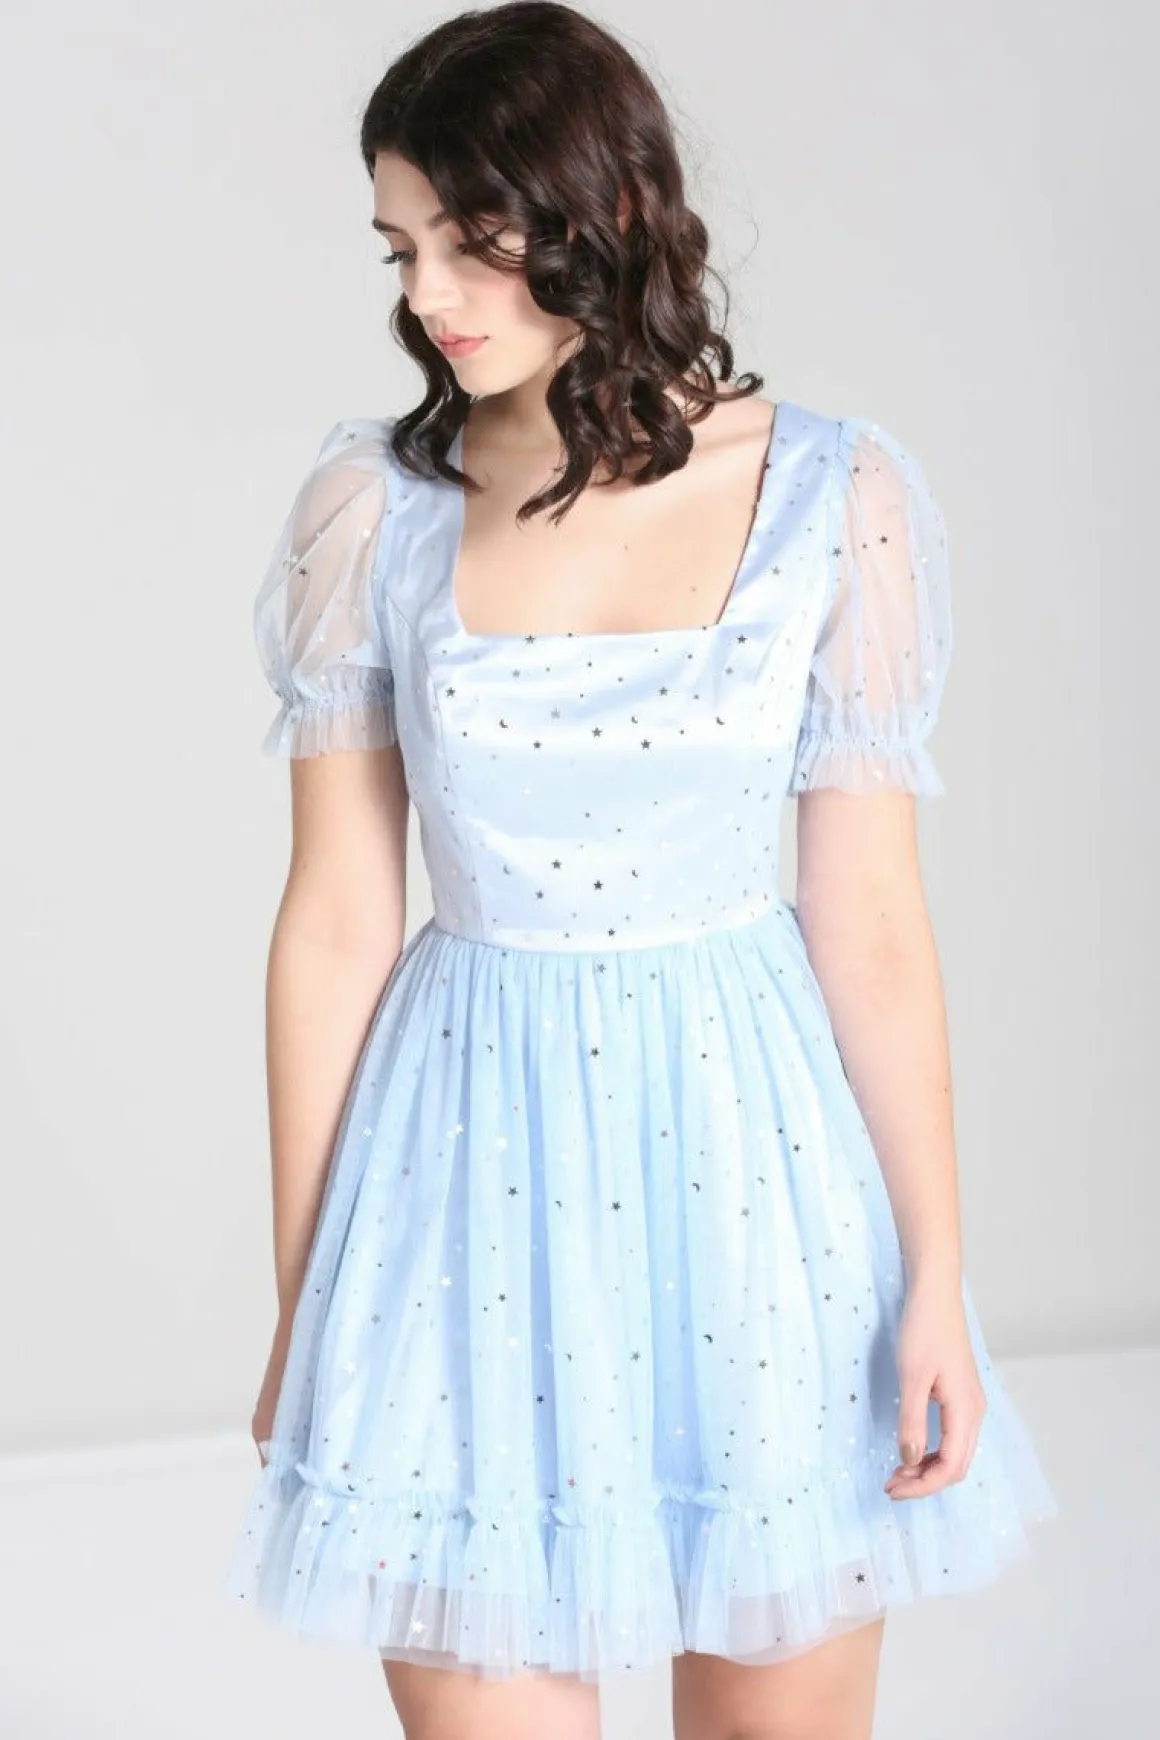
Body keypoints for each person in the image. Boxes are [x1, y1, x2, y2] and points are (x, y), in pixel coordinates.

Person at [224, 4, 1058, 1736]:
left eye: (471, 239)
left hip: (756, 1183)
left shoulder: (837, 495)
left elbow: (873, 924)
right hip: (457, 1185)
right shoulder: (372, 510)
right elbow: (336, 923)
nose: (430, 294)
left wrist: (936, 1273)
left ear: (603, 210)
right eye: (399, 248)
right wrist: (312, 1302)